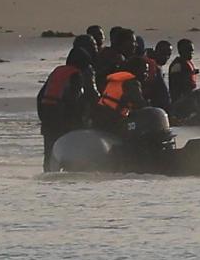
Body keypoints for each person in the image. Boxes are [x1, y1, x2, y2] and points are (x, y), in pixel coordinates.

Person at [36, 38, 97, 171]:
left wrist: (43, 119)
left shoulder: (57, 72)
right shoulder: (77, 75)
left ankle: (48, 178)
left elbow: (40, 96)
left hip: (48, 121)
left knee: (50, 156)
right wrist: (83, 121)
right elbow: (76, 100)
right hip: (64, 122)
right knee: (71, 154)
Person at [94, 57, 149, 134]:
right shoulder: (131, 83)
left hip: (100, 116)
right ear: (136, 69)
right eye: (145, 71)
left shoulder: (117, 79)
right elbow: (140, 104)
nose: (146, 75)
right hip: (113, 120)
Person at [95, 26, 134, 92]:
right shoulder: (118, 58)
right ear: (124, 43)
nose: (135, 45)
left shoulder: (104, 52)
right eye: (133, 42)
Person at [141, 40, 173, 112]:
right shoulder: (150, 66)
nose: (166, 57)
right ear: (156, 52)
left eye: (169, 55)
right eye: (163, 54)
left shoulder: (154, 65)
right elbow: (163, 93)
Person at [167, 38, 199, 104]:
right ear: (181, 51)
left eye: (192, 50)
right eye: (188, 50)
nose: (191, 53)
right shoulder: (177, 65)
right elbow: (175, 85)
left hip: (190, 97)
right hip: (181, 100)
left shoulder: (187, 63)